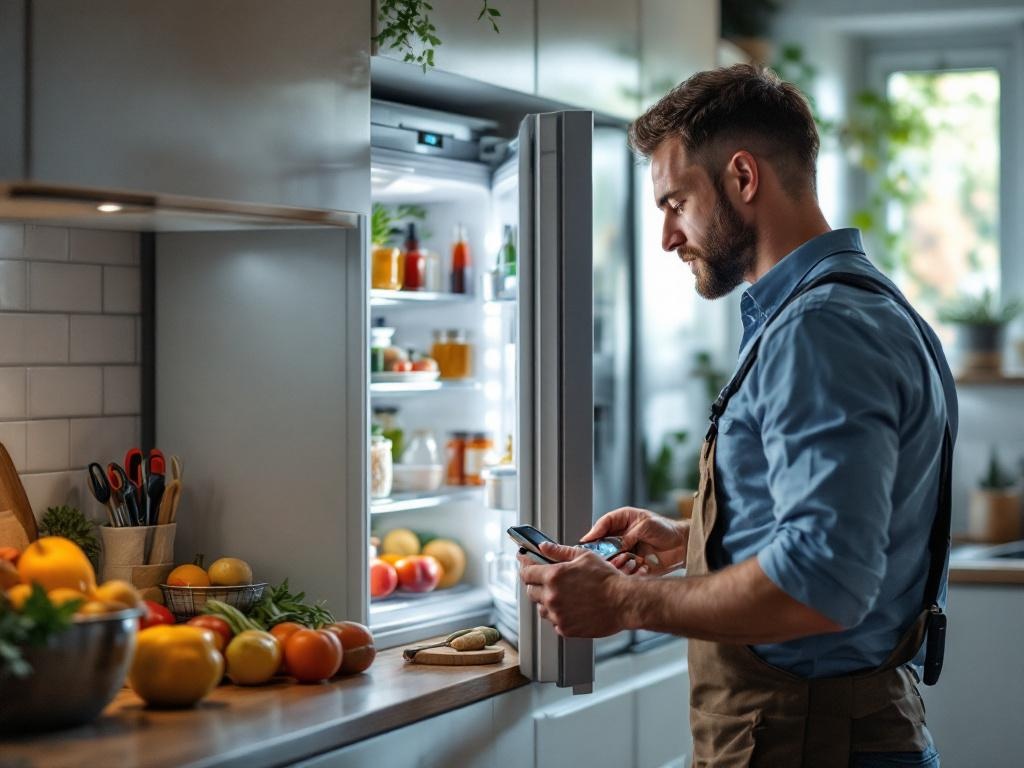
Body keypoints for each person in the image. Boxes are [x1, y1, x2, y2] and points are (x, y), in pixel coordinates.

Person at [518, 64, 958, 768]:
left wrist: (626, 602)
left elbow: (823, 583)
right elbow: (837, 525)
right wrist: (694, 539)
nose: (667, 236)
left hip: (810, 744)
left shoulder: (819, 328)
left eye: (676, 202)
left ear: (743, 177)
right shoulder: (851, 305)